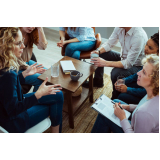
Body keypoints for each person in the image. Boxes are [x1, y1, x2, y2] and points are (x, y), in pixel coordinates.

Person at [0, 27, 63, 133]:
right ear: (7, 45)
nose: (23, 46)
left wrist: (24, 74)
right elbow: (14, 109)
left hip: (6, 110)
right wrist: (38, 94)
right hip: (13, 122)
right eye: (18, 43)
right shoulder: (9, 73)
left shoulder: (4, 65)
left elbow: (6, 88)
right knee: (55, 101)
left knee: (58, 94)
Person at [91, 54, 159, 133]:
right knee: (116, 101)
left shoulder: (145, 113)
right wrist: (127, 107)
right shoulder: (154, 94)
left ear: (155, 82)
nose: (138, 73)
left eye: (144, 72)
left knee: (105, 116)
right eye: (142, 69)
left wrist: (122, 118)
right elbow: (142, 104)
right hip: (137, 120)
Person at [83, 27, 148, 98]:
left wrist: (105, 63)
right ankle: (98, 81)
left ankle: (115, 97)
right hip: (124, 57)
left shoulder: (138, 36)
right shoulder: (119, 28)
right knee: (101, 53)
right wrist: (98, 51)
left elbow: (128, 63)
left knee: (115, 73)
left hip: (136, 65)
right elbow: (109, 44)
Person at [114, 32, 159, 104]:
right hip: (144, 86)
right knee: (122, 84)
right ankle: (113, 101)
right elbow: (137, 74)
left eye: (150, 48)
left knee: (122, 96)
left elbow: (147, 92)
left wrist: (127, 90)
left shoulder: (156, 68)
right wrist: (124, 80)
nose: (145, 48)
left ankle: (121, 106)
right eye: (146, 44)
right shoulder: (150, 59)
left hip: (148, 97)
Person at [18, 27, 48, 92]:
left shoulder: (30, 34)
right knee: (41, 79)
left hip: (25, 62)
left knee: (48, 73)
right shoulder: (14, 34)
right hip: (15, 67)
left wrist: (40, 28)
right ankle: (35, 99)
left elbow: (42, 47)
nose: (31, 27)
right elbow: (12, 59)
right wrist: (28, 68)